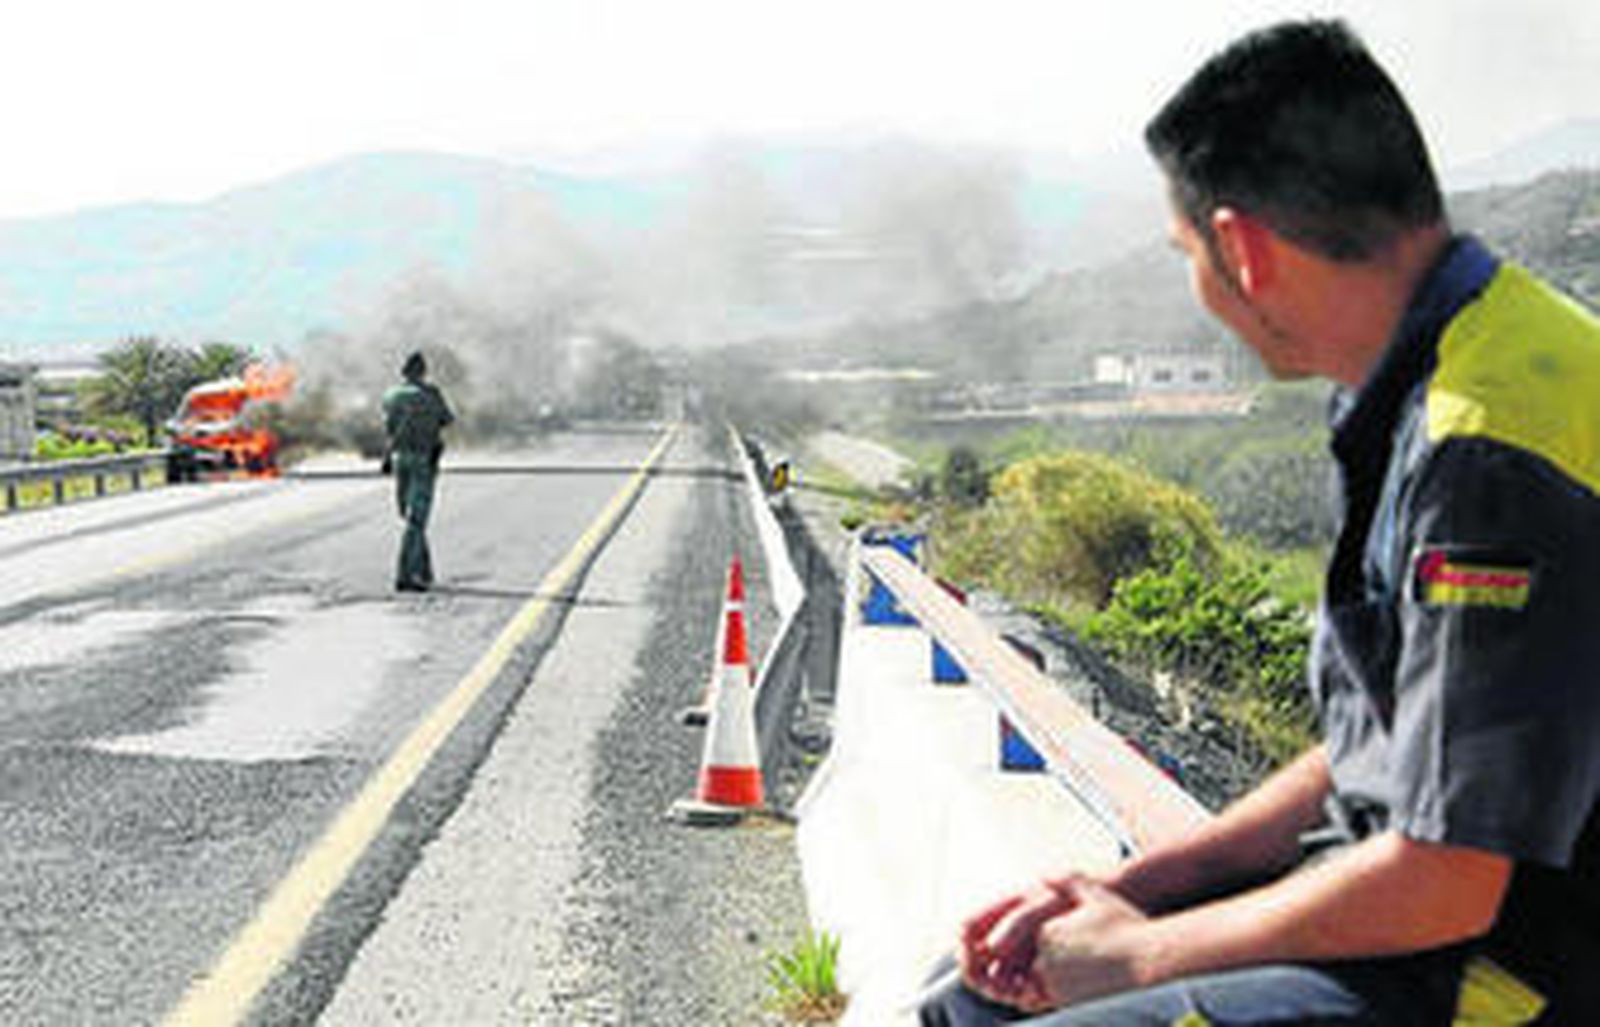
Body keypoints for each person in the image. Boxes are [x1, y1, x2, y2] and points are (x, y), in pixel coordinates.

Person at [922, 18, 1599, 1027]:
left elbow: (1449, 877)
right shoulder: (1450, 364)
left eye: (1185, 253)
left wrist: (1139, 953)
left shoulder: (1484, 446)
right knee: (967, 997)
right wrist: (1136, 889)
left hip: (1507, 970)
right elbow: (1394, 732)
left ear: (1239, 247)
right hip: (1419, 913)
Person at [382, 350, 454, 592]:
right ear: (423, 372)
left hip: (400, 459)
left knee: (408, 516)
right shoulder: (431, 394)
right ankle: (405, 574)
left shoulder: (391, 396)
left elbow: (388, 428)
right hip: (424, 459)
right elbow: (447, 419)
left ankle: (423, 570)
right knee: (417, 519)